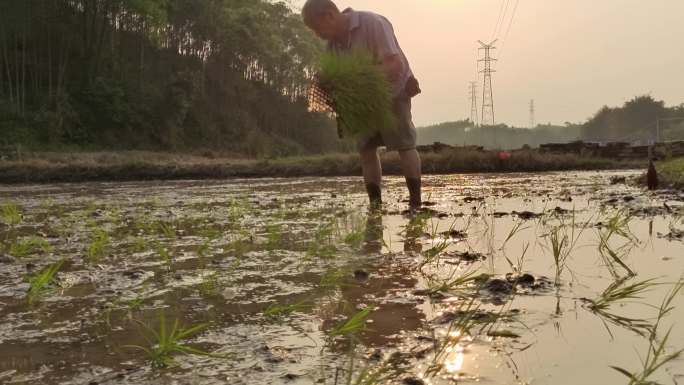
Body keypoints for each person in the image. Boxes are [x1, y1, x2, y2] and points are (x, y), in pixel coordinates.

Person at [302, 0, 422, 210]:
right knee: (366, 149)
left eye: (316, 28)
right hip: (361, 102)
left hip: (393, 91)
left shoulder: (373, 23)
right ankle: (375, 207)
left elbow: (394, 64)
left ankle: (415, 203)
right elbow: (336, 82)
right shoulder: (332, 47)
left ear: (329, 15)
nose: (316, 35)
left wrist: (358, 79)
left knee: (404, 144)